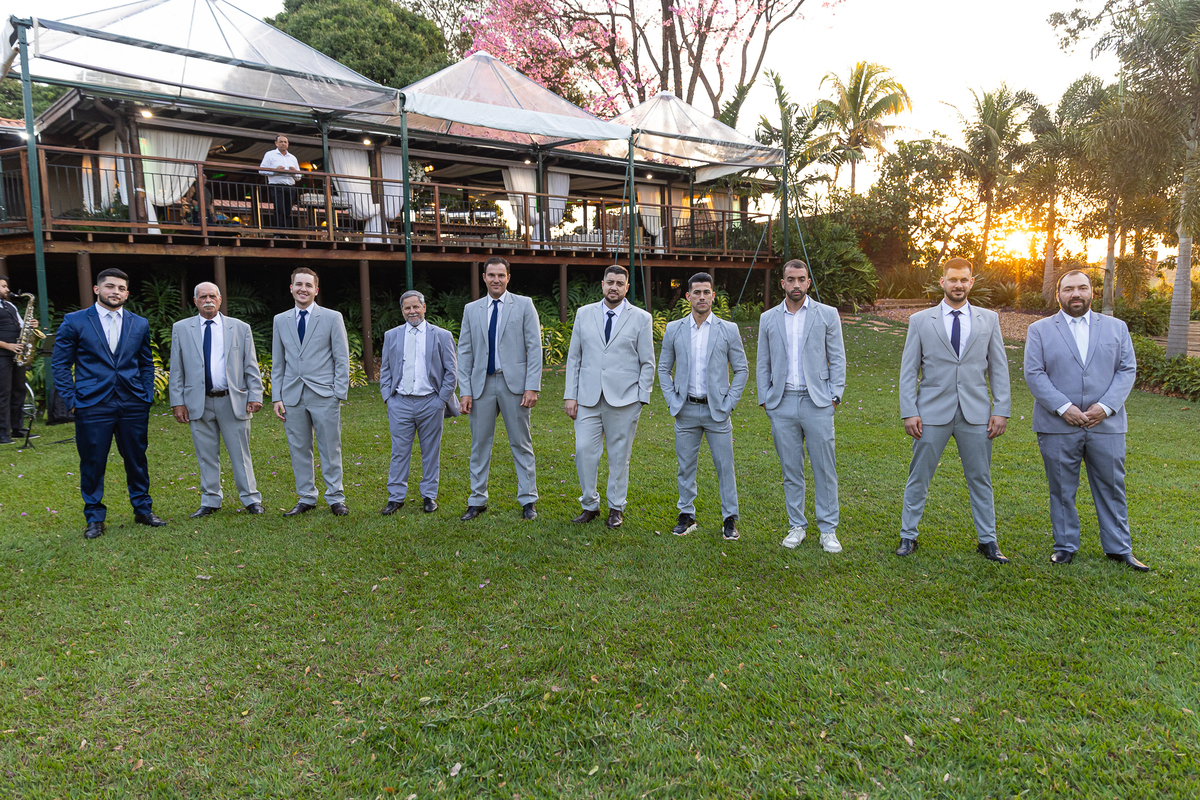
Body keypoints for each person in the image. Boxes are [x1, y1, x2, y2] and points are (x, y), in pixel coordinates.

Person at [1023, 270, 1148, 571]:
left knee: (1112, 486)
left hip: (1106, 424)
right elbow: (1034, 373)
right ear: (1058, 295)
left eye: (1082, 288)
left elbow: (1127, 369)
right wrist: (1063, 407)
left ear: (1092, 292)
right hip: (1057, 424)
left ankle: (1119, 548)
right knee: (1062, 488)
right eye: (1068, 289)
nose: (1075, 294)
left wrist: (1106, 407)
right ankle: (1065, 546)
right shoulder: (1039, 330)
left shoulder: (1117, 328)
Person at [897, 257, 1011, 561]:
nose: (958, 285)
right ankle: (908, 536)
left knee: (980, 478)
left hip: (976, 413)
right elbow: (909, 370)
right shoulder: (921, 321)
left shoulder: (989, 319)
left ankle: (988, 541)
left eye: (963, 280)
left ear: (971, 282)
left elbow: (999, 368)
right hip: (930, 413)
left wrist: (1001, 409)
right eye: (952, 280)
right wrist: (909, 410)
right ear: (942, 282)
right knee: (919, 476)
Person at [50, 268, 165, 538]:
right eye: (110, 286)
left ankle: (143, 509)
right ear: (97, 289)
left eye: (121, 288)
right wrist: (72, 400)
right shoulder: (75, 321)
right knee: (92, 461)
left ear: (127, 293)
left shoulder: (139, 323)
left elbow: (146, 363)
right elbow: (60, 364)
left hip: (132, 402)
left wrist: (145, 395)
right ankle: (94, 517)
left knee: (137, 458)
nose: (116, 292)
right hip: (92, 404)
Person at [756, 260, 846, 553]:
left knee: (824, 468)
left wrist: (834, 397)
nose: (796, 284)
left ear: (808, 282)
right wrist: (766, 399)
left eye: (801, 279)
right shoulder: (768, 318)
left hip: (817, 402)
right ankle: (797, 525)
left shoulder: (827, 314)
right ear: (782, 283)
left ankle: (828, 530)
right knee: (791, 469)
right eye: (791, 279)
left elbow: (838, 357)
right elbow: (763, 361)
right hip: (781, 403)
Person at [657, 272, 748, 540]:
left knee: (725, 466)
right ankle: (687, 515)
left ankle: (729, 518)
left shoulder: (728, 329)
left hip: (717, 411)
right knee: (685, 466)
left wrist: (729, 402)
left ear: (713, 296)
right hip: (685, 410)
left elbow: (742, 370)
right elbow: (663, 369)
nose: (702, 297)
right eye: (696, 292)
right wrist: (672, 399)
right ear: (688, 296)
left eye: (706, 292)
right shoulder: (674, 329)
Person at [563, 265, 655, 529]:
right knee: (584, 452)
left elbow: (647, 362)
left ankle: (616, 507)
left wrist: (641, 398)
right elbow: (574, 357)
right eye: (610, 282)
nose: (614, 287)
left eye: (619, 283)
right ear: (602, 284)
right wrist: (570, 395)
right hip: (587, 399)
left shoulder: (641, 318)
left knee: (619, 456)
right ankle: (589, 505)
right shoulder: (584, 314)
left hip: (625, 400)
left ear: (627, 287)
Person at [168, 282, 265, 518]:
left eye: (212, 296)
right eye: (202, 297)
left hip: (232, 400)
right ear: (195, 301)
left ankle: (251, 499)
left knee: (240, 453)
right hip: (197, 401)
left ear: (220, 299)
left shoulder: (240, 328)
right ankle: (210, 500)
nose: (208, 300)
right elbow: (177, 368)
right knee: (206, 454)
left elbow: (250, 364)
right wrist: (177, 401)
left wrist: (255, 394)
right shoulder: (181, 328)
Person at [457, 256, 542, 521]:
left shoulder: (524, 305)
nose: (496, 280)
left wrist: (532, 387)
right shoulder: (472, 309)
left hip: (514, 385)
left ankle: (528, 500)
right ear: (484, 278)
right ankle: (477, 499)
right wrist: (465, 390)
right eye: (491, 275)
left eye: (501, 275)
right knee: (479, 444)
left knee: (521, 443)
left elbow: (534, 348)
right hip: (481, 386)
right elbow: (465, 351)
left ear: (508, 278)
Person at [271, 267, 351, 516]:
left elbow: (341, 358)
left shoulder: (332, 318)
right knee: (299, 447)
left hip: (324, 394)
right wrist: (277, 396)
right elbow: (278, 362)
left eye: (308, 285)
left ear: (316, 290)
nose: (303, 289)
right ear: (291, 288)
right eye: (298, 284)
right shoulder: (280, 320)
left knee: (330, 447)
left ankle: (335, 497)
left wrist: (338, 392)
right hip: (292, 395)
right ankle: (306, 497)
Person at [378, 290, 459, 515]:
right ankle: (396, 497)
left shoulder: (442, 335)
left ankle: (429, 495)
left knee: (431, 451)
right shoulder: (392, 335)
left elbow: (451, 372)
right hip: (400, 403)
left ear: (424, 307)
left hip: (431, 402)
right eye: (407, 308)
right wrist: (388, 398)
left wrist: (440, 401)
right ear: (402, 310)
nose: (412, 311)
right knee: (399, 452)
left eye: (416, 307)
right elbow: (385, 369)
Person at [0, 275, 37, 443]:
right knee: (3, 393)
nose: (7, 289)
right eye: (3, 286)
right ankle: (2, 433)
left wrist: (32, 325)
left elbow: (22, 326)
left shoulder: (10, 306)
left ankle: (17, 429)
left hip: (17, 354)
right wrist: (7, 345)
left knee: (19, 391)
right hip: (3, 354)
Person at [258, 134, 300, 233]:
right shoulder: (270, 155)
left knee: (288, 211)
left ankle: (285, 232)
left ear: (288, 144)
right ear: (276, 143)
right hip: (277, 185)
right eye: (281, 142)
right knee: (279, 209)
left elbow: (299, 177)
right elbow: (261, 170)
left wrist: (294, 172)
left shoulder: (293, 157)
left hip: (290, 186)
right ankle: (278, 232)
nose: (283, 144)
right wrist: (275, 171)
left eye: (285, 142)